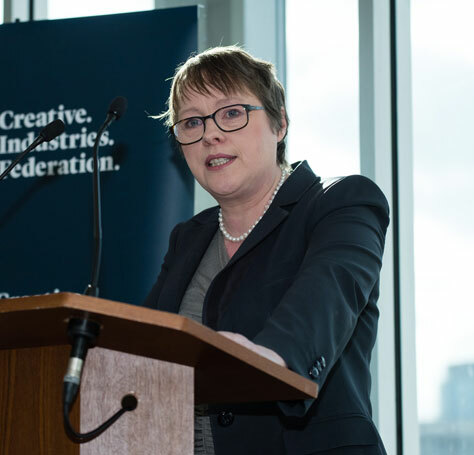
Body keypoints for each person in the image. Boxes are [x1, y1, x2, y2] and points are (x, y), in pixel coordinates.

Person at [144, 46, 389, 454]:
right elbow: (145, 348)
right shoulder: (188, 237)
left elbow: (327, 293)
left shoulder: (340, 203)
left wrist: (270, 356)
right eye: (191, 122)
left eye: (232, 113)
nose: (210, 134)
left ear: (280, 124)